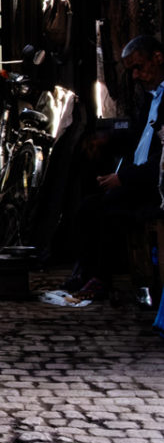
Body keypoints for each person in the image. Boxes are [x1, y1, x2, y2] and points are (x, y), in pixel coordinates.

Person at [63, 35, 164, 297]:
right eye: (131, 70)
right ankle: (88, 274)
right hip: (138, 180)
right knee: (88, 206)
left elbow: (159, 161)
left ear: (157, 58)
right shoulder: (151, 98)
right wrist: (107, 141)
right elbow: (139, 137)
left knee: (108, 210)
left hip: (155, 188)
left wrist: (125, 178)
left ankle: (101, 278)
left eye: (138, 67)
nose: (135, 76)